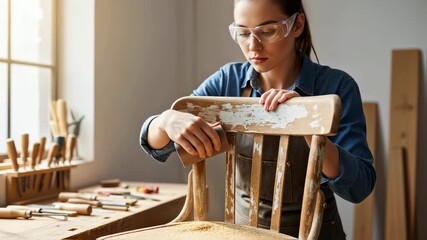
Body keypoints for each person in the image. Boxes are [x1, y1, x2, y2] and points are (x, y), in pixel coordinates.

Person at [139, 0, 375, 239]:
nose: (253, 46)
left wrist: (307, 122)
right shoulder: (228, 81)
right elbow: (157, 145)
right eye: (242, 33)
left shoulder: (337, 86)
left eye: (267, 31)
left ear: (297, 25)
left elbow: (360, 188)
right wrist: (167, 120)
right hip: (243, 234)